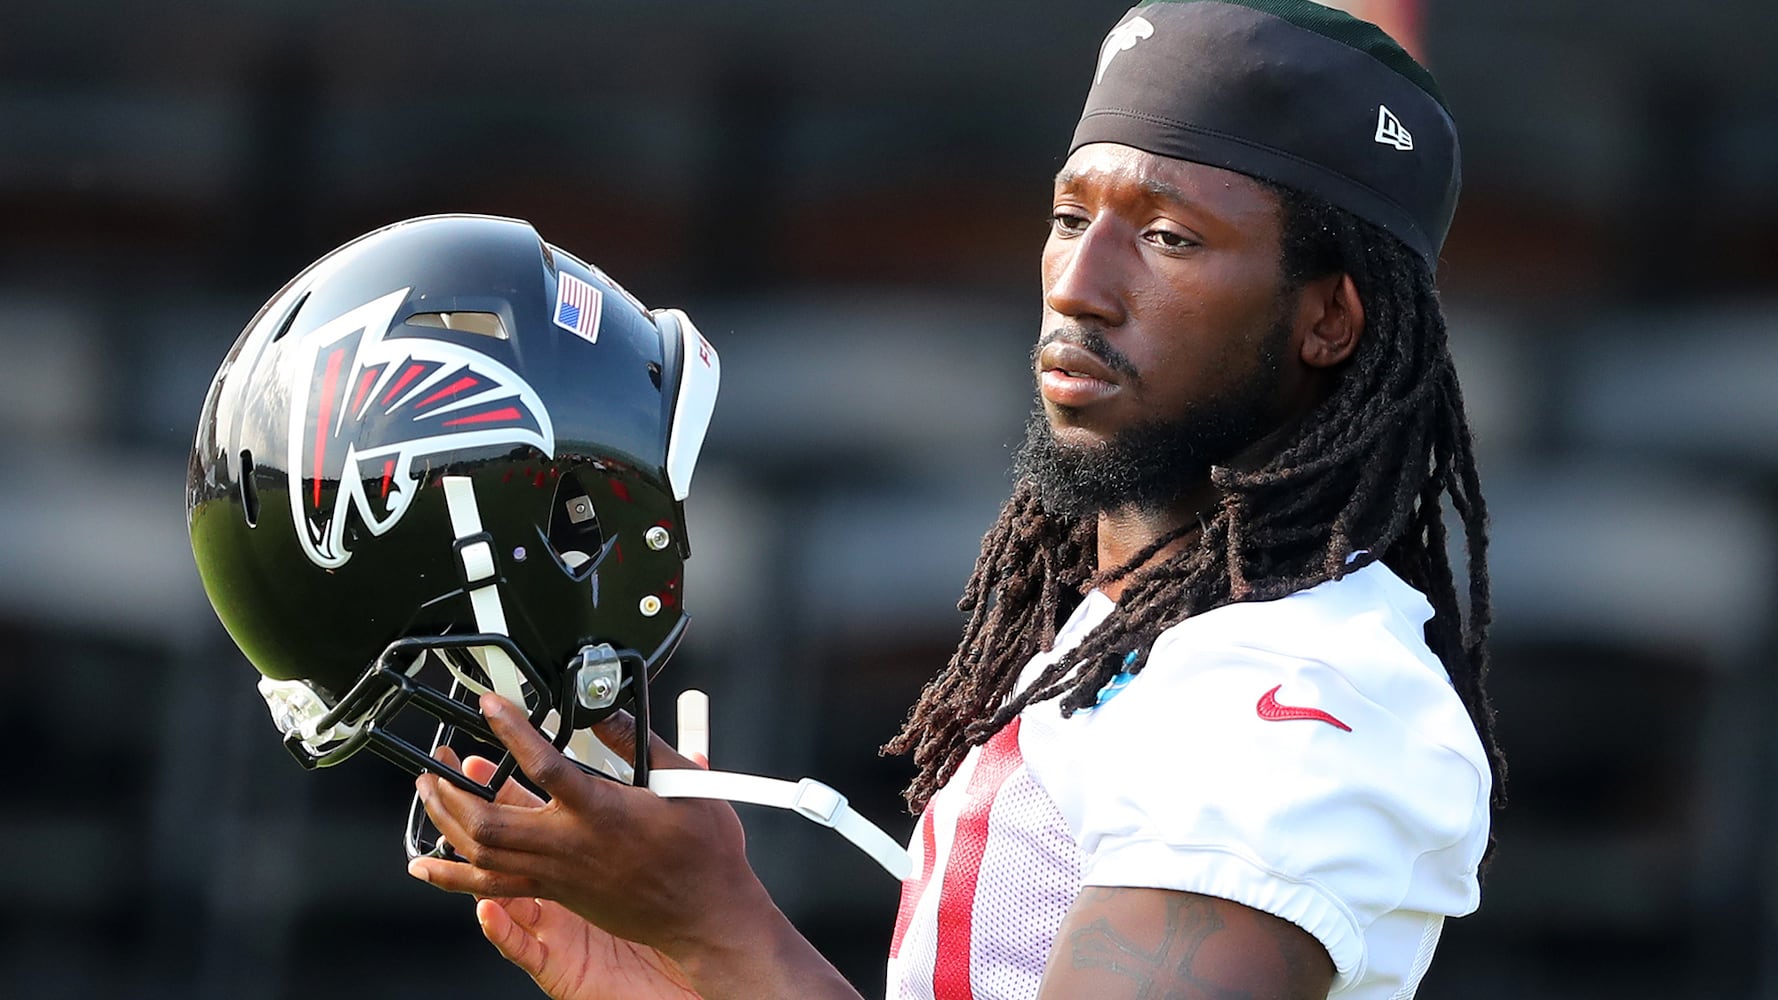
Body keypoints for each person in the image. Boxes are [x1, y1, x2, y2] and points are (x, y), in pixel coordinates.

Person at [405, 1, 1503, 996]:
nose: (1078, 284)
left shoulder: (1300, 694)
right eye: (1071, 219)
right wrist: (672, 970)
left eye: (1168, 237)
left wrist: (715, 925)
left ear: (1329, 320)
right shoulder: (1127, 637)